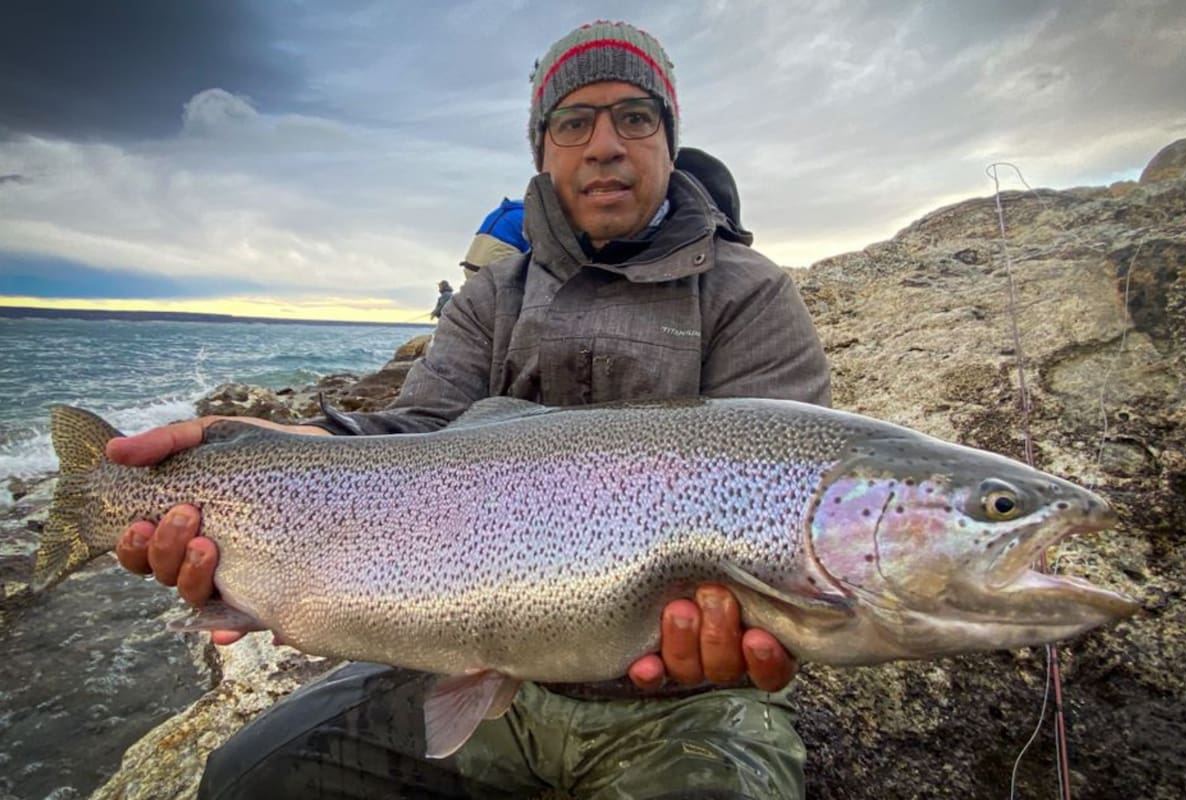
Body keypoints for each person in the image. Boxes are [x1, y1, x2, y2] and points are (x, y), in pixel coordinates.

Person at [110, 20, 831, 799]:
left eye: (635, 116)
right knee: (243, 778)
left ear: (667, 135)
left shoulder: (751, 292)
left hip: (692, 707)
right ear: (542, 148)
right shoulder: (493, 295)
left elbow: (790, 494)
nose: (605, 145)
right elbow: (420, 435)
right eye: (573, 122)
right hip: (475, 671)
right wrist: (294, 443)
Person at [460, 197, 528, 280]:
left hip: (470, 268)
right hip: (495, 273)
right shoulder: (529, 216)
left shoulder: (497, 212)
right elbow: (537, 250)